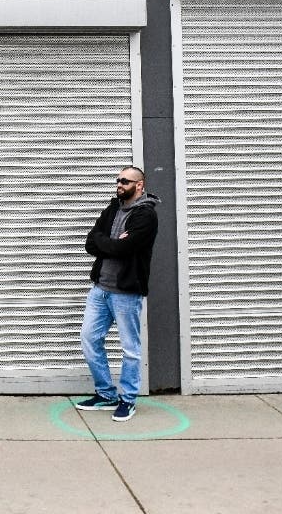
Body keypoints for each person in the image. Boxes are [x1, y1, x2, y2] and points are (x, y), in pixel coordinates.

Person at [76, 166, 159, 423]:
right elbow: (91, 242)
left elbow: (127, 248)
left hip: (125, 293)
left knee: (130, 349)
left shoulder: (146, 215)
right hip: (100, 290)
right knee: (89, 340)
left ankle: (128, 399)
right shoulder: (112, 208)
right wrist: (111, 243)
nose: (120, 184)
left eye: (125, 180)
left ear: (140, 185)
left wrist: (110, 243)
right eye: (118, 180)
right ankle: (106, 393)